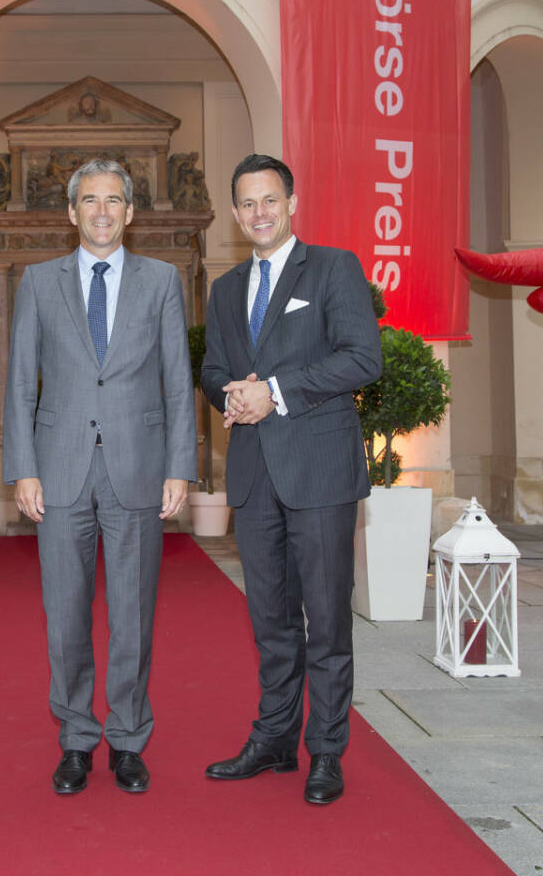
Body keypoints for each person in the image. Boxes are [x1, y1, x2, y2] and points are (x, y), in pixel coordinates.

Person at [3, 157, 196, 796]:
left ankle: (129, 738)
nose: (103, 211)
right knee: (65, 614)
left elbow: (177, 382)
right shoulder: (37, 282)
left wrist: (180, 466)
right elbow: (20, 381)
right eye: (90, 200)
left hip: (138, 468)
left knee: (133, 614)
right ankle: (77, 737)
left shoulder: (163, 280)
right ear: (71, 212)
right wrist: (23, 468)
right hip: (58, 472)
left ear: (131, 211)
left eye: (114, 200)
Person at [199, 153, 381, 805]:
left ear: (292, 202)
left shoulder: (334, 268)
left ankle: (325, 752)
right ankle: (274, 739)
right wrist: (231, 398)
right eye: (246, 203)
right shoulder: (224, 290)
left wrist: (275, 391)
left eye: (269, 200)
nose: (259, 213)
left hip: (320, 474)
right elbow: (214, 370)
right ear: (236, 212)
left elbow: (363, 358)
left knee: (326, 619)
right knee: (270, 620)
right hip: (254, 477)